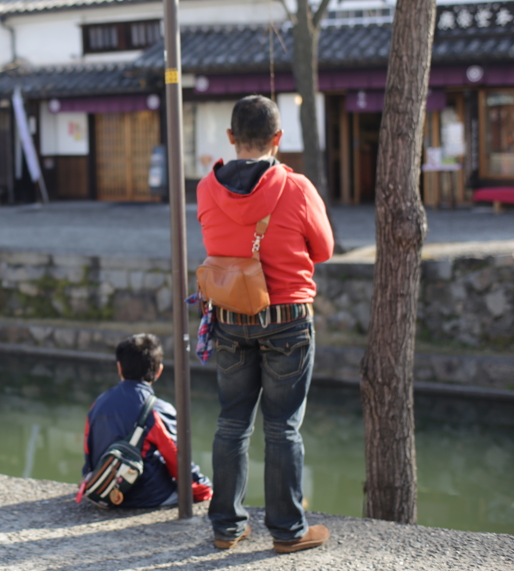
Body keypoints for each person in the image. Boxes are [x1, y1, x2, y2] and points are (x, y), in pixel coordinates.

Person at [197, 95, 334, 553]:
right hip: (287, 319)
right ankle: (288, 532)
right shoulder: (296, 188)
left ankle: (226, 528)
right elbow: (325, 249)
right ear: (278, 139)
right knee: (282, 427)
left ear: (231, 137)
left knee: (232, 423)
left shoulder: (206, 188)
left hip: (231, 318)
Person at [79, 333, 213, 508]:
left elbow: (89, 455)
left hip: (103, 491)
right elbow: (177, 460)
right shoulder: (158, 410)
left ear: (119, 368)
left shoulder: (98, 404)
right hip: (147, 497)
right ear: (159, 371)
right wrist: (205, 489)